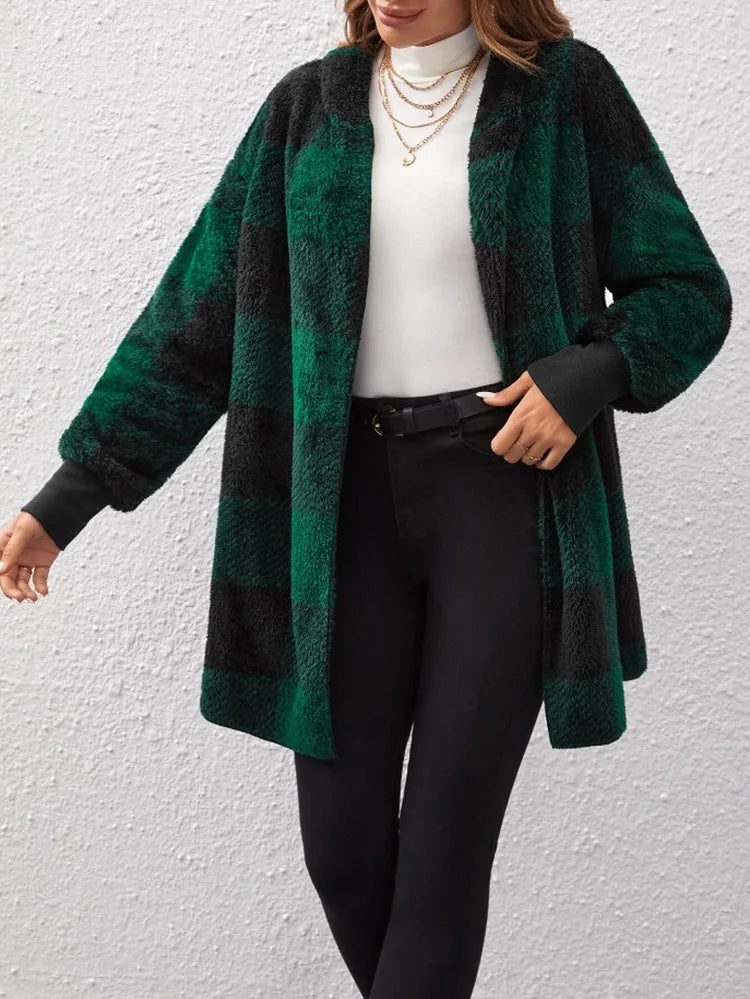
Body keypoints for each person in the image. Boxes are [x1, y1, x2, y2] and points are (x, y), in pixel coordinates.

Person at [1, 2, 732, 996]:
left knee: (441, 857)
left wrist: (588, 373)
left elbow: (687, 287)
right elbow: (196, 318)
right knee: (342, 853)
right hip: (337, 509)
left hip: (503, 498)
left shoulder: (566, 93)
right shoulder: (307, 109)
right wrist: (68, 499)